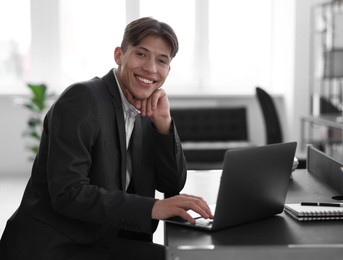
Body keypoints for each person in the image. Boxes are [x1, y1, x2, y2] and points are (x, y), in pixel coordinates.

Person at [0, 17, 212, 260]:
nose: (151, 68)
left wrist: (164, 125)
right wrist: (153, 208)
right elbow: (68, 193)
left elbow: (172, 183)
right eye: (141, 54)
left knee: (182, 257)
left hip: (105, 240)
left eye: (161, 60)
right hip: (57, 247)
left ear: (168, 69)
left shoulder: (144, 109)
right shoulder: (82, 99)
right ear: (119, 55)